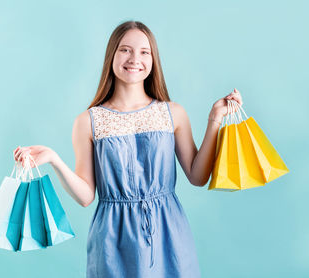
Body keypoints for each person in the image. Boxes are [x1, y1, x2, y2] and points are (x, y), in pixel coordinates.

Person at [14, 20, 243, 278]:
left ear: (153, 60)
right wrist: (54, 160)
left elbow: (198, 177)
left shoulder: (173, 113)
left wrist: (215, 120)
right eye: (125, 50)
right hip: (112, 243)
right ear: (111, 55)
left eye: (144, 52)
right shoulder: (87, 122)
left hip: (169, 236)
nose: (135, 58)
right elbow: (87, 196)